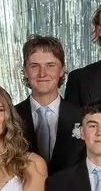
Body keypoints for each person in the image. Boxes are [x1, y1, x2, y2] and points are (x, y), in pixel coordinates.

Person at [14, 35, 83, 173]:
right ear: (25, 71)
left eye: (50, 65)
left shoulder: (82, 117)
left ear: (62, 70)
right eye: (34, 66)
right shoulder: (10, 117)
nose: (42, 73)